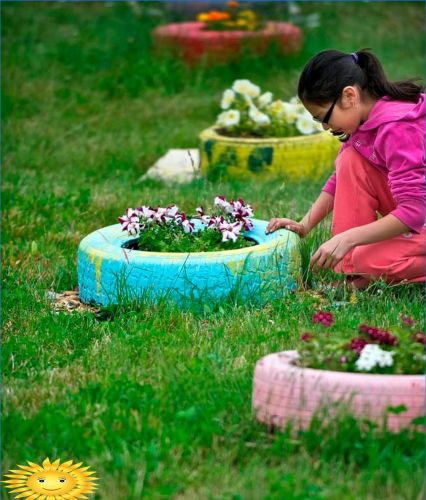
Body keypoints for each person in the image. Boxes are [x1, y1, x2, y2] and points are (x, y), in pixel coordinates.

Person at [266, 48, 425, 288]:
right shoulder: (365, 121)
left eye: (323, 117)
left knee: (367, 257)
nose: (325, 127)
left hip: (418, 215)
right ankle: (355, 272)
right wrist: (305, 224)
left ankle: (363, 267)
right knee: (350, 158)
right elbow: (340, 178)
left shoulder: (398, 128)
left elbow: (414, 211)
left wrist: (349, 238)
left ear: (349, 96)